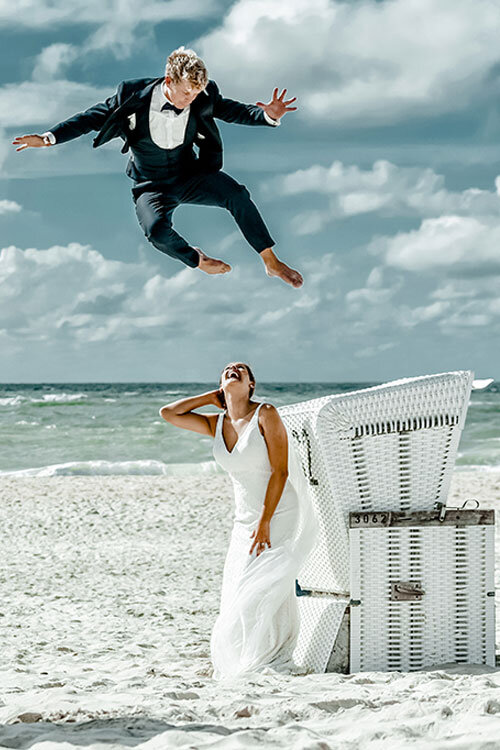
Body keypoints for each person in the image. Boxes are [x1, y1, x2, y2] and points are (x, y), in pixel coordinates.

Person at [12, 47, 303, 288]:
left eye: (196, 93)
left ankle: (271, 262)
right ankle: (197, 259)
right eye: (186, 93)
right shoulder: (131, 94)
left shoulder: (203, 96)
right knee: (156, 232)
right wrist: (48, 138)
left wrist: (267, 116)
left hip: (190, 175)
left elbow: (233, 111)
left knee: (237, 195)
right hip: (151, 184)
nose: (191, 100)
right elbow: (90, 118)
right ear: (169, 80)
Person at [159, 362, 317, 679]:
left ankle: (274, 654)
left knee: (264, 584)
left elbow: (280, 472)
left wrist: (264, 521)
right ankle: (251, 651)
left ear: (251, 384)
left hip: (277, 511)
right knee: (238, 584)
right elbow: (169, 413)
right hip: (244, 518)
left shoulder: (266, 414)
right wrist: (212, 397)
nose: (233, 369)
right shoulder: (215, 423)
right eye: (227, 369)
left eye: (241, 369)